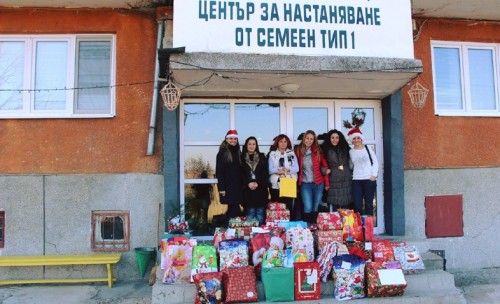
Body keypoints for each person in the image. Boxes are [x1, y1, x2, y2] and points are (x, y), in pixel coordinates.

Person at [294, 130, 330, 224]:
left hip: (318, 183)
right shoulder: (298, 151)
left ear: (314, 140)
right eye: (307, 138)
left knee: (315, 207)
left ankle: (313, 227)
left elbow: (325, 168)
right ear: (304, 138)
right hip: (305, 184)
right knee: (308, 206)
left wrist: (326, 183)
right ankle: (307, 228)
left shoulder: (317, 151)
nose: (309, 140)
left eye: (311, 139)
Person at [348, 127, 379, 216]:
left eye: (358, 138)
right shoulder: (351, 151)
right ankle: (359, 228)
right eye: (354, 138)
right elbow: (351, 165)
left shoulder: (368, 148)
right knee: (357, 205)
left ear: (361, 139)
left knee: (369, 204)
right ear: (352, 140)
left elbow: (375, 162)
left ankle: (369, 228)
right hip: (356, 180)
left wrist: (374, 175)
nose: (356, 140)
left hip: (369, 179)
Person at [321, 129, 353, 211]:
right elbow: (320, 164)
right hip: (333, 178)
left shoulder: (346, 148)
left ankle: (346, 223)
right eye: (332, 137)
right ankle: (335, 223)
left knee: (346, 205)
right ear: (329, 138)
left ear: (340, 138)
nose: (335, 140)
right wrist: (324, 170)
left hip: (346, 177)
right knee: (334, 203)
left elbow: (353, 162)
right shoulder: (324, 149)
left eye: (337, 138)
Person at [216, 129, 244, 220]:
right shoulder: (223, 152)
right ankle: (230, 229)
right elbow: (219, 171)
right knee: (233, 209)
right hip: (228, 187)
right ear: (226, 140)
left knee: (235, 209)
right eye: (231, 138)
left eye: (235, 139)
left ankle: (233, 229)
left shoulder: (238, 152)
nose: (233, 140)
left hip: (238, 186)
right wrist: (222, 188)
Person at [241, 136, 269, 226]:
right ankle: (250, 237)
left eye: (253, 144)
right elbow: (240, 174)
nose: (251, 146)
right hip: (248, 192)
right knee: (250, 214)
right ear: (246, 145)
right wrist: (248, 183)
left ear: (256, 145)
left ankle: (260, 237)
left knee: (260, 215)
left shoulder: (262, 157)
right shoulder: (241, 158)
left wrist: (258, 183)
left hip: (260, 191)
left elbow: (265, 173)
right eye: (249, 144)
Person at [268, 134, 299, 215]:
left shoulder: (291, 153)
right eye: (281, 141)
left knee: (288, 208)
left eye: (285, 141)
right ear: (277, 143)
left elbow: (296, 168)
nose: (283, 143)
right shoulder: (272, 154)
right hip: (276, 184)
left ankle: (288, 226)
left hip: (288, 183)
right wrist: (280, 171)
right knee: (277, 208)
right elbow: (270, 169)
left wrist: (288, 170)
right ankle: (276, 226)